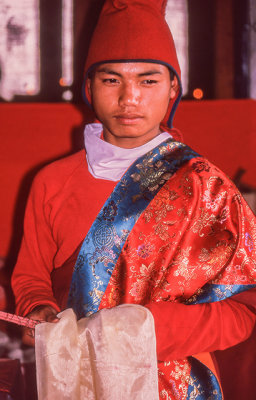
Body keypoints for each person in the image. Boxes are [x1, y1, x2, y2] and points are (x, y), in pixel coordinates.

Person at [11, 0, 256, 398]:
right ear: (88, 87)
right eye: (111, 80)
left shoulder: (205, 188)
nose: (129, 98)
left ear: (173, 87)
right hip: (73, 379)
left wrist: (146, 330)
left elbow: (244, 309)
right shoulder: (51, 181)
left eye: (148, 80)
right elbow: (31, 276)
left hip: (175, 384)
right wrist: (38, 308)